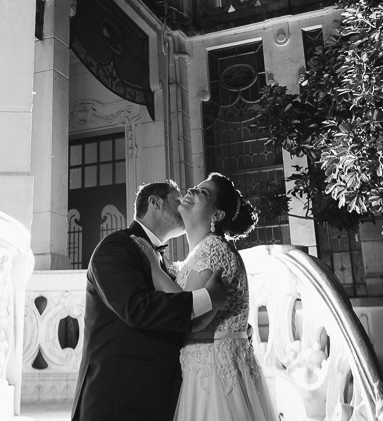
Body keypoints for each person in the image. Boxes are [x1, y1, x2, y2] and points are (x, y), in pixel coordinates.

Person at [71, 180, 229, 421]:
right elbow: (135, 308)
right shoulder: (117, 246)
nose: (183, 204)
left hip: (153, 396)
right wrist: (208, 299)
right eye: (177, 201)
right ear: (155, 202)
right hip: (116, 399)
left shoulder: (161, 259)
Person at [133, 172, 277, 421]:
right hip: (201, 369)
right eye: (196, 187)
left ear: (217, 215)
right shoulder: (198, 254)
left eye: (203, 192)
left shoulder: (215, 250)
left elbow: (188, 315)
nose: (191, 191)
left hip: (214, 376)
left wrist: (155, 270)